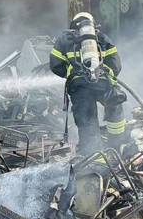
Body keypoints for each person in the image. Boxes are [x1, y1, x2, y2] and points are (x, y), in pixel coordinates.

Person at [49, 11, 131, 159]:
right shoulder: (102, 37)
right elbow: (116, 64)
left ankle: (95, 160)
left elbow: (55, 65)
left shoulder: (64, 39)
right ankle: (119, 147)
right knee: (115, 109)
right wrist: (105, 75)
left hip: (79, 88)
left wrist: (71, 75)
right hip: (103, 83)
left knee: (87, 122)